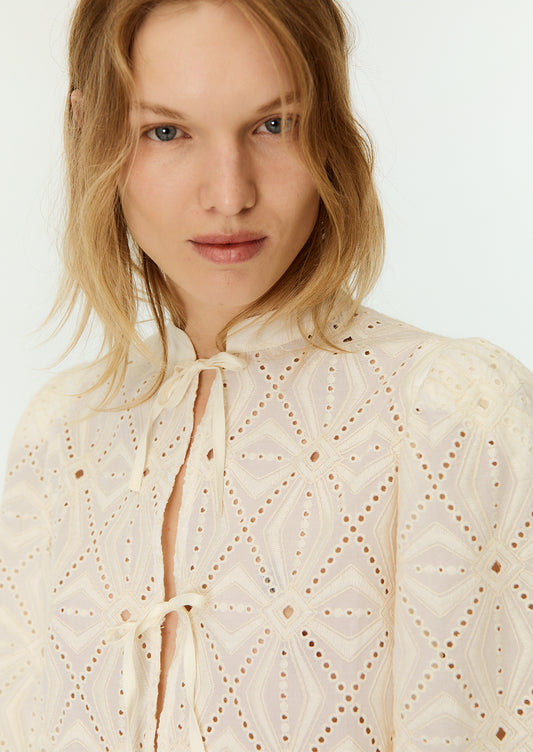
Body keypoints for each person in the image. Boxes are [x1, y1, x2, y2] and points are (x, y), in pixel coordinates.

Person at [0, 0, 532, 750]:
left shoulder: (447, 410)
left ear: (331, 133)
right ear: (90, 133)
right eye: (166, 131)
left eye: (274, 124)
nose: (230, 194)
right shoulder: (61, 432)